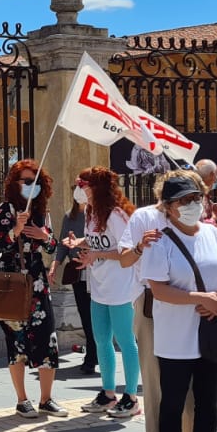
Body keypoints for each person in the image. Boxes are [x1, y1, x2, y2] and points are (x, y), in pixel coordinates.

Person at [139, 172, 217, 432]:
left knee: (208, 405)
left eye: (197, 198)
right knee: (173, 405)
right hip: (176, 337)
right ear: (167, 207)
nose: (193, 205)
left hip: (209, 334)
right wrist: (198, 298)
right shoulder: (160, 241)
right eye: (184, 200)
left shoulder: (212, 234)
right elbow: (158, 288)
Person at [67, 167, 145, 418]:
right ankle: (108, 393)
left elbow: (127, 251)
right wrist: (80, 242)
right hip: (99, 285)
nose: (79, 189)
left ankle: (131, 397)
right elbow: (97, 240)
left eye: (83, 184)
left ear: (96, 188)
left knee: (125, 341)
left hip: (121, 286)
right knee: (101, 339)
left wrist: (97, 254)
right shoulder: (91, 213)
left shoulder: (116, 214)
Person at [0, 160, 65, 417]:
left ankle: (46, 398)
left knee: (47, 337)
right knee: (16, 340)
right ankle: (22, 400)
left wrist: (45, 237)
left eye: (36, 181)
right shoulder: (5, 210)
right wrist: (17, 230)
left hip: (37, 279)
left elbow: (52, 247)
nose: (31, 186)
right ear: (15, 183)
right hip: (12, 279)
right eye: (26, 181)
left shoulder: (42, 212)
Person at [123, 172, 187, 432]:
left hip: (189, 302)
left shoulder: (197, 219)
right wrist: (139, 247)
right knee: (155, 379)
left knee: (191, 381)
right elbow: (124, 258)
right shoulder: (143, 217)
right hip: (151, 302)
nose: (190, 201)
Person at [54, 179, 99, 376]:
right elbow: (62, 244)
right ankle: (92, 355)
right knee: (85, 315)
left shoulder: (97, 216)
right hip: (79, 274)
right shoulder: (70, 216)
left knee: (97, 316)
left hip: (97, 271)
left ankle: (94, 355)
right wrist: (55, 265)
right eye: (77, 189)